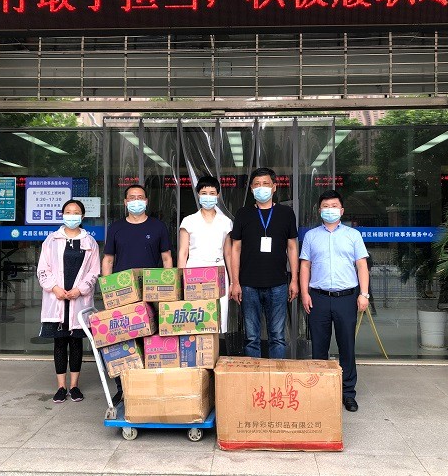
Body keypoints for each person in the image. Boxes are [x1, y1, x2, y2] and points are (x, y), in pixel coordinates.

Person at [299, 190, 370, 412]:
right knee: (319, 347)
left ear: (341, 210)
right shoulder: (311, 236)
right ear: (319, 210)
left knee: (346, 346)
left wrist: (364, 294)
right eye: (326, 206)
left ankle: (348, 393)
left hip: (346, 298)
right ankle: (320, 391)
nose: (330, 210)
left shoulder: (353, 235)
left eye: (334, 206)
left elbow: (361, 265)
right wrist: (304, 293)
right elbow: (305, 266)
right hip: (318, 297)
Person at [101, 184, 173, 403]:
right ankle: (123, 387)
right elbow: (108, 260)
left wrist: (169, 288)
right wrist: (108, 291)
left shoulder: (158, 226)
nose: (136, 201)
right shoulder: (116, 228)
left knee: (150, 339)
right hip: (122, 293)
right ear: (125, 202)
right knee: (123, 341)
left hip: (150, 293)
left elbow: (167, 258)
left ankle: (148, 385)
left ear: (146, 201)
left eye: (140, 197)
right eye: (131, 198)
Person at [230, 167, 299, 359]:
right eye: (257, 184)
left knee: (277, 337)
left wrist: (294, 280)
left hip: (278, 284)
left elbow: (292, 247)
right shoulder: (243, 214)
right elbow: (235, 249)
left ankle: (277, 375)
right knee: (251, 337)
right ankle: (254, 375)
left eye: (266, 184)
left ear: (274, 187)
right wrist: (235, 282)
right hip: (248, 284)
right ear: (251, 189)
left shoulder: (286, 213)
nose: (262, 188)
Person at [37, 199, 100, 403]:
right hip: (57, 298)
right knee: (59, 342)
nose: (71, 216)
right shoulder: (51, 240)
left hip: (77, 299)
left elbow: (94, 271)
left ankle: (74, 386)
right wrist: (54, 288)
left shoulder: (90, 242)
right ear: (62, 215)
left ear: (82, 216)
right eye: (68, 212)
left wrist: (79, 290)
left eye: (76, 212)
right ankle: (61, 387)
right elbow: (43, 268)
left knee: (75, 343)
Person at [177, 176, 233, 333]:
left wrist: (233, 281)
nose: (208, 197)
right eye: (204, 193)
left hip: (218, 269)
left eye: (212, 193)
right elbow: (183, 253)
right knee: (196, 314)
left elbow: (228, 253)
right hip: (194, 269)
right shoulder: (188, 221)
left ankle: (213, 347)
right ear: (198, 195)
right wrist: (181, 279)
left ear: (218, 195)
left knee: (218, 315)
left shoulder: (226, 222)